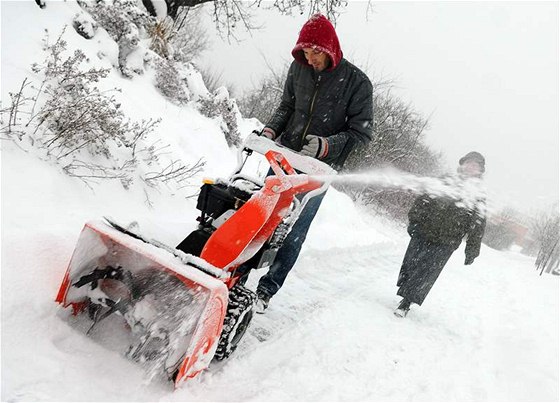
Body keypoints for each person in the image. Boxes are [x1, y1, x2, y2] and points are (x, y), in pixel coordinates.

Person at [253, 13, 374, 313]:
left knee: (294, 230)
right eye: (305, 53)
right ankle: (237, 274)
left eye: (316, 52)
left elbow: (361, 134)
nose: (311, 59)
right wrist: (270, 130)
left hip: (318, 171)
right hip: (285, 160)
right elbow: (287, 107)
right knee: (260, 218)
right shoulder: (299, 68)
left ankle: (267, 289)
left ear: (330, 48)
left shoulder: (358, 83)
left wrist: (326, 146)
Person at [394, 151, 487, 317]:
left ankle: (406, 302)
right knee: (411, 265)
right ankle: (405, 290)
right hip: (424, 230)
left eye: (476, 165)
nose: (471, 167)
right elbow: (423, 199)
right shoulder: (445, 179)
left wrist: (472, 249)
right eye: (469, 163)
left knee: (426, 272)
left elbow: (478, 224)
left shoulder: (478, 194)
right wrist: (414, 221)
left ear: (480, 171)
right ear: (463, 164)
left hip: (447, 241)